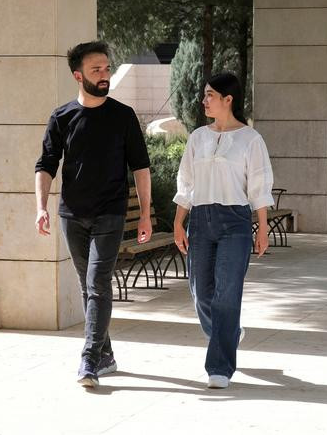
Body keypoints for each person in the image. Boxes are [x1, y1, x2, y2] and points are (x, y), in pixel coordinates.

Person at [34, 41, 152, 388]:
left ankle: (88, 360)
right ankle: (106, 354)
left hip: (110, 214)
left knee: (98, 285)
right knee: (90, 289)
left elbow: (141, 168)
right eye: (96, 70)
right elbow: (45, 165)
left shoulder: (123, 116)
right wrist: (40, 207)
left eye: (106, 68)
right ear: (78, 75)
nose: (105, 75)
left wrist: (145, 214)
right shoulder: (62, 117)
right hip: (72, 215)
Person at [173, 72, 274, 390]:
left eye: (210, 95)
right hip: (201, 220)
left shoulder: (250, 139)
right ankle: (229, 331)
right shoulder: (197, 137)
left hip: (236, 222)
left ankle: (219, 366)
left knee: (227, 294)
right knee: (201, 293)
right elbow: (186, 182)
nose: (204, 100)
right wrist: (178, 222)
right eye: (204, 95)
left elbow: (259, 185)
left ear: (228, 99)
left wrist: (262, 227)